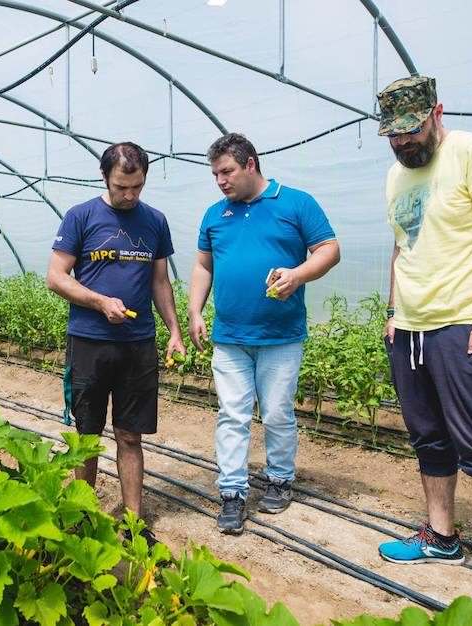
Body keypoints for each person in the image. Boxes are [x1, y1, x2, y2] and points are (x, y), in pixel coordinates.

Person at [374, 76, 472, 622]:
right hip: (413, 330)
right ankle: (441, 534)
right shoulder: (397, 177)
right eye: (392, 135)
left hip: (464, 325)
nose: (403, 143)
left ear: (436, 112)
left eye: (411, 130)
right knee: (428, 438)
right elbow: (403, 248)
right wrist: (395, 312)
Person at [188, 133, 340, 535]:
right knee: (232, 414)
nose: (221, 181)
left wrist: (297, 274)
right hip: (230, 336)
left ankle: (279, 478)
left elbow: (328, 249)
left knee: (276, 413)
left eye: (227, 172)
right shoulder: (214, 215)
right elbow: (204, 266)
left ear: (251, 164)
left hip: (281, 335)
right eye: (216, 174)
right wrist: (195, 311)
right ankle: (232, 493)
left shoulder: (295, 203)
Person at [47, 141, 185, 539]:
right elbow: (56, 277)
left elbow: (160, 281)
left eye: (137, 187)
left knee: (130, 433)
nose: (129, 195)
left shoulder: (155, 221)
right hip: (89, 341)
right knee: (87, 433)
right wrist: (98, 302)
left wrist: (173, 331)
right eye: (122, 187)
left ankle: (133, 522)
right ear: (105, 177)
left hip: (138, 344)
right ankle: (82, 515)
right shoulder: (80, 217)